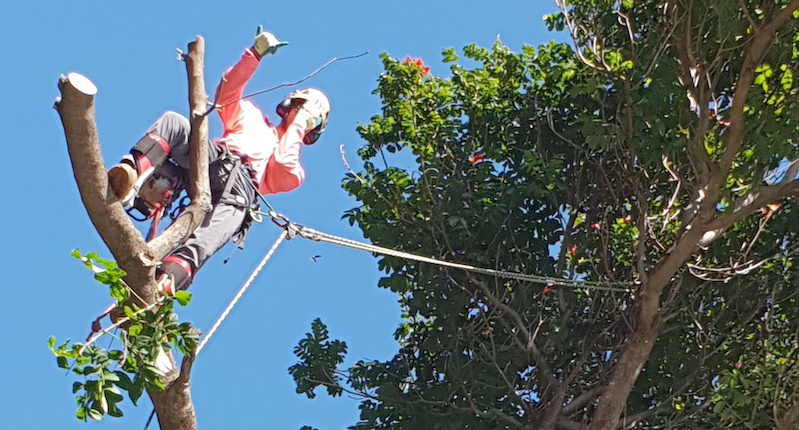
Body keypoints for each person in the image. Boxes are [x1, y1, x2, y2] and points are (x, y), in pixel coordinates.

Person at [107, 28, 330, 294]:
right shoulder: (251, 116)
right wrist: (253, 55)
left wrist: (298, 125)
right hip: (214, 161)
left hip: (238, 194)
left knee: (206, 240)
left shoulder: (295, 173)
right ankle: (130, 176)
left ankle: (159, 289)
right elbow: (227, 94)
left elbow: (282, 161)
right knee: (175, 122)